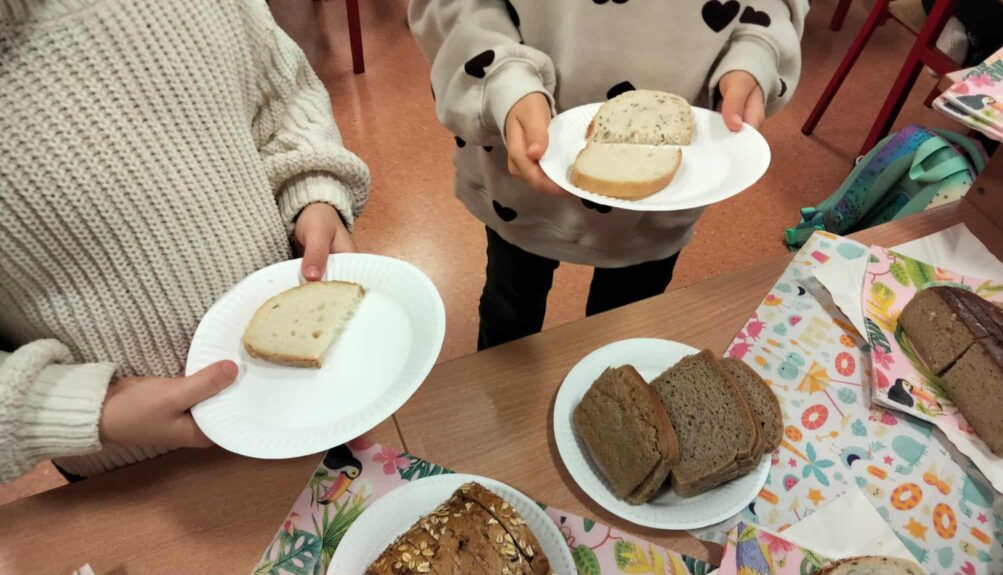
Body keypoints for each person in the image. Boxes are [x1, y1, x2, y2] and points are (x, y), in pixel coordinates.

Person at [0, 0, 370, 481]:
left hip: (307, 395)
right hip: (133, 470)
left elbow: (279, 92)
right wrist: (68, 409)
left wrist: (311, 189)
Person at [408, 0, 807, 351]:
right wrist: (502, 78)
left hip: (665, 195)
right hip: (518, 167)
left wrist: (756, 49)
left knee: (621, 328)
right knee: (510, 310)